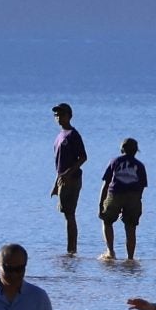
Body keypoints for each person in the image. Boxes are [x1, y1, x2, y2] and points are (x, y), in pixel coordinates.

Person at [98, 138, 147, 263]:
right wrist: (137, 201)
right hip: (133, 197)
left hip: (115, 194)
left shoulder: (114, 162)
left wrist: (101, 204)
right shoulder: (140, 166)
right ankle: (130, 258)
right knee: (131, 227)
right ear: (136, 151)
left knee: (107, 221)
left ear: (122, 149)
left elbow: (106, 183)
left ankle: (110, 252)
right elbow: (142, 186)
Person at [49, 103, 87, 257]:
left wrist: (69, 174)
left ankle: (72, 250)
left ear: (69, 116)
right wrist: (55, 184)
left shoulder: (73, 134)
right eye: (56, 115)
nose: (58, 117)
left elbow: (83, 157)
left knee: (70, 214)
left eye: (61, 114)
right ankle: (70, 250)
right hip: (62, 179)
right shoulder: (60, 135)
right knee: (67, 215)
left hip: (72, 179)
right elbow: (59, 164)